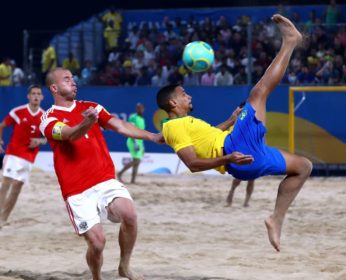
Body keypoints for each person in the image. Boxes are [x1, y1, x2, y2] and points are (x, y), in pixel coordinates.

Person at [156, 14, 312, 252]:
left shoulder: (185, 123)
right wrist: (227, 158)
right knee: (259, 92)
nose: (188, 96)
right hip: (235, 152)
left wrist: (229, 121)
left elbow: (208, 138)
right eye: (183, 94)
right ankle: (290, 41)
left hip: (244, 155)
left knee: (303, 167)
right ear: (173, 104)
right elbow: (193, 164)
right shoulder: (173, 126)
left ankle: (275, 219)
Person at [40, 67, 162, 280]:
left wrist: (152, 136)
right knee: (97, 243)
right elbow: (69, 135)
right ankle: (97, 277)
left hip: (105, 179)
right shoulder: (47, 119)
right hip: (76, 190)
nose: (73, 82)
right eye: (67, 79)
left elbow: (121, 126)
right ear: (54, 87)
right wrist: (86, 123)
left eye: (73, 78)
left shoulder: (92, 106)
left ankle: (124, 267)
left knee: (130, 215)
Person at [0, 85, 46, 228]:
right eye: (33, 93)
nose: (36, 96)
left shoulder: (44, 116)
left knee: (17, 186)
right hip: (13, 152)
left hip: (29, 156)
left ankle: (4, 218)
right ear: (28, 96)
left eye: (38, 94)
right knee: (6, 183)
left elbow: (46, 139)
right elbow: (2, 125)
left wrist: (39, 141)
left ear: (42, 97)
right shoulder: (18, 111)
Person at [117, 103, 146, 184]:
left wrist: (142, 145)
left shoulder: (142, 119)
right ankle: (120, 173)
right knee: (136, 161)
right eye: (138, 108)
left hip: (139, 142)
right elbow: (130, 129)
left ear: (143, 109)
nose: (139, 109)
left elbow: (141, 132)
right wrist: (135, 142)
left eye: (140, 108)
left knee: (137, 162)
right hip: (133, 141)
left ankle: (133, 180)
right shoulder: (133, 117)